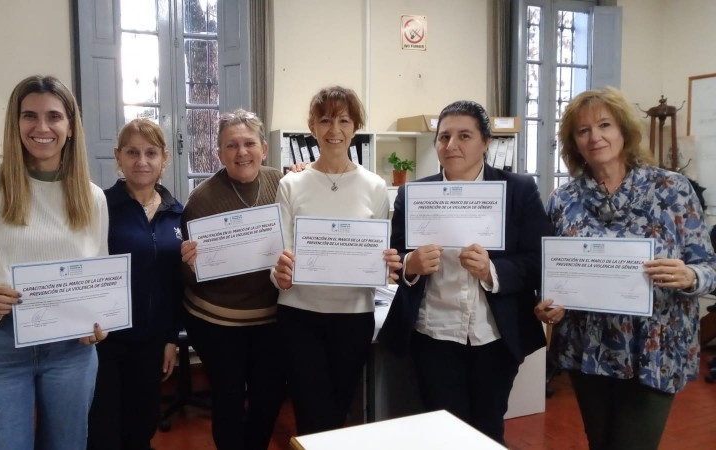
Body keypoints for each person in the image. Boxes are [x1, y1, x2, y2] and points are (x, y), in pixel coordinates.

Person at [534, 86, 716, 450]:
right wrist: (546, 304)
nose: (595, 137)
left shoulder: (672, 188)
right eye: (583, 130)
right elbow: (552, 273)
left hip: (654, 347)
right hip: (588, 348)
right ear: (574, 141)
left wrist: (690, 275)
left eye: (604, 125)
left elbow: (708, 266)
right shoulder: (563, 199)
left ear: (624, 131)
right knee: (600, 443)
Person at [0, 75, 109, 450]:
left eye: (54, 116)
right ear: (15, 124)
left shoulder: (92, 197)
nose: (42, 127)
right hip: (2, 343)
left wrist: (100, 323)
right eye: (29, 116)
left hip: (73, 349)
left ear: (70, 127)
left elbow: (97, 274)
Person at [377, 100, 552, 445]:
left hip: (493, 336)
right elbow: (396, 260)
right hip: (434, 335)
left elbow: (540, 259)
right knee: (444, 434)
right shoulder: (412, 194)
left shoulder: (518, 191)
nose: (451, 145)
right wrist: (410, 265)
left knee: (488, 430)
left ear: (486, 143)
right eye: (443, 137)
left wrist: (493, 270)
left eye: (464, 136)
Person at [272, 86, 403, 435]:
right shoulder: (291, 183)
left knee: (339, 410)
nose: (334, 130)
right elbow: (280, 256)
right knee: (310, 413)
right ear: (312, 127)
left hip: (353, 318)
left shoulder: (375, 186)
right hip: (299, 316)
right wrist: (280, 274)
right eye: (325, 120)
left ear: (355, 127)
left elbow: (379, 257)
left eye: (344, 120)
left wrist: (387, 265)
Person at [180, 109, 287, 450]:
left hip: (269, 319)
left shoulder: (283, 184)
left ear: (263, 148)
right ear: (219, 152)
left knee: (268, 398)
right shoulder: (202, 200)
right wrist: (192, 265)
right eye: (231, 146)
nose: (242, 153)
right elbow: (185, 274)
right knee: (227, 400)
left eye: (249, 143)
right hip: (216, 321)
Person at [87, 118, 184, 450]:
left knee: (141, 427)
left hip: (152, 342)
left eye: (151, 153)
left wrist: (170, 338)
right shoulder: (99, 207)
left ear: (164, 159)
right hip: (105, 342)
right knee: (103, 431)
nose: (142, 162)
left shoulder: (177, 214)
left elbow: (176, 283)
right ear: (118, 156)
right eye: (132, 152)